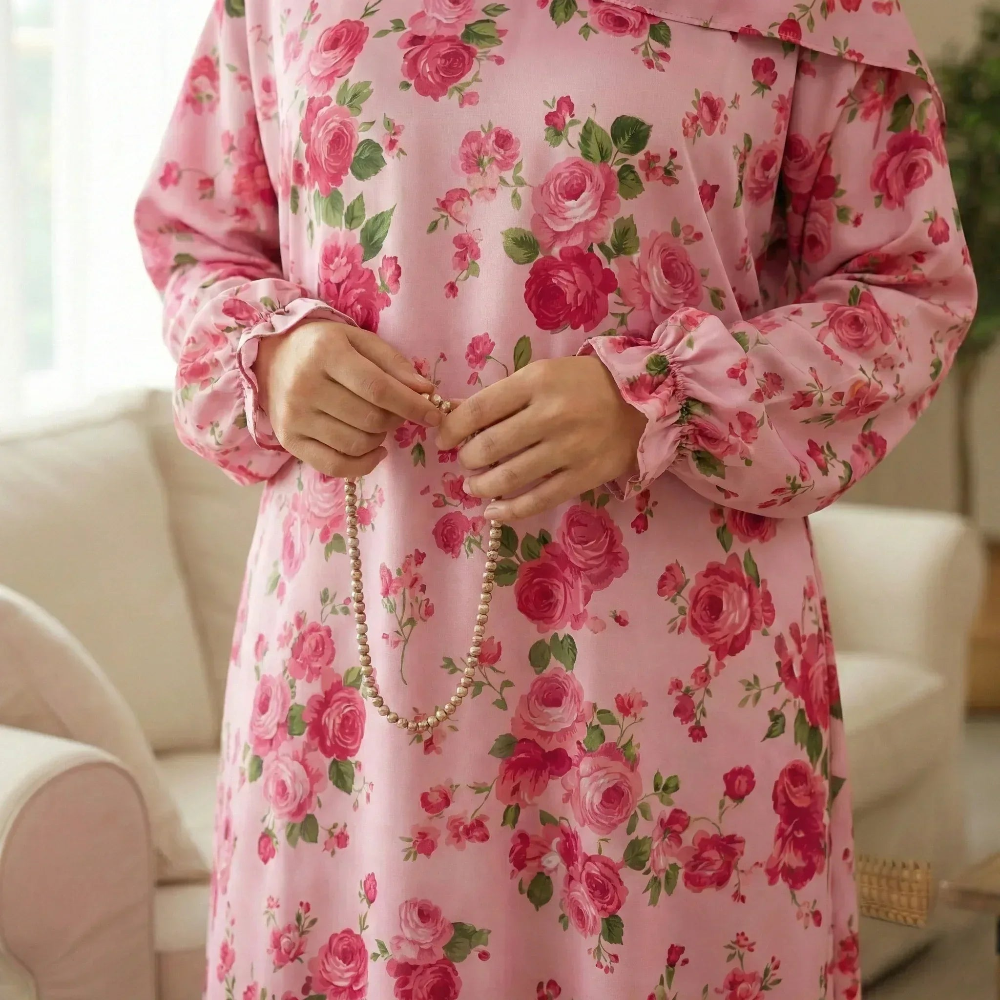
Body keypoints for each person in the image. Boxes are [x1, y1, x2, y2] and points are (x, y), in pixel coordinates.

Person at [135, 2, 975, 997]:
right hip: (353, 666)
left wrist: (660, 394)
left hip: (667, 674)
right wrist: (271, 354)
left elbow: (904, 291)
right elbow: (195, 238)